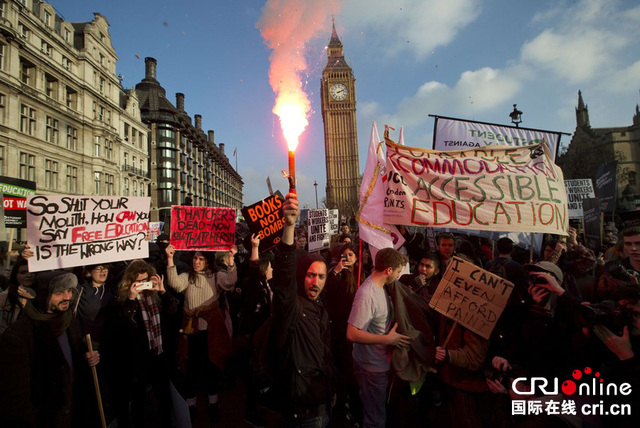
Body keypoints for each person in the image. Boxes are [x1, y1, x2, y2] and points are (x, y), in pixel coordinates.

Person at [0, 271, 100, 427]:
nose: (67, 297)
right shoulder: (18, 336)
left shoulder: (69, 321)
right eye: (59, 292)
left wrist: (87, 357)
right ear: (43, 295)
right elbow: (16, 400)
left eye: (69, 291)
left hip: (74, 413)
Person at [270, 192, 335, 427]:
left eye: (321, 276)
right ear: (301, 276)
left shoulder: (320, 308)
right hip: (303, 411)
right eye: (310, 275)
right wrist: (289, 226)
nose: (315, 281)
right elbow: (284, 275)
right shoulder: (291, 306)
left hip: (322, 403)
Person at [165, 245, 238, 423]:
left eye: (201, 259)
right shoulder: (187, 277)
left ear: (207, 260)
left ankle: (213, 403)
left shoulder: (216, 276)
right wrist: (169, 259)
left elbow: (230, 282)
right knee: (191, 368)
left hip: (210, 332)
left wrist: (231, 262)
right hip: (191, 332)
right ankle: (191, 405)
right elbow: (174, 284)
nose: (196, 262)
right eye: (195, 259)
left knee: (212, 366)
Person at [346, 247, 411, 428]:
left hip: (378, 363)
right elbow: (351, 333)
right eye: (398, 272)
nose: (398, 276)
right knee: (374, 418)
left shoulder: (381, 287)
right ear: (388, 270)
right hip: (370, 369)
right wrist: (388, 340)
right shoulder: (367, 295)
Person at [111, 260, 172, 428]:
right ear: (130, 282)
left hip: (158, 355)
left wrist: (162, 291)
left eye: (145, 280)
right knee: (139, 399)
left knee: (163, 395)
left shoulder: (155, 296)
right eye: (138, 281)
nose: (142, 284)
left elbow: (173, 313)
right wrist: (130, 299)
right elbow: (120, 327)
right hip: (138, 359)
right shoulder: (123, 300)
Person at [0, 258, 36, 335]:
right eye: (23, 272)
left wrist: (34, 299)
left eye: (32, 272)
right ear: (15, 275)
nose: (29, 275)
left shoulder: (46, 294)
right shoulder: (5, 297)